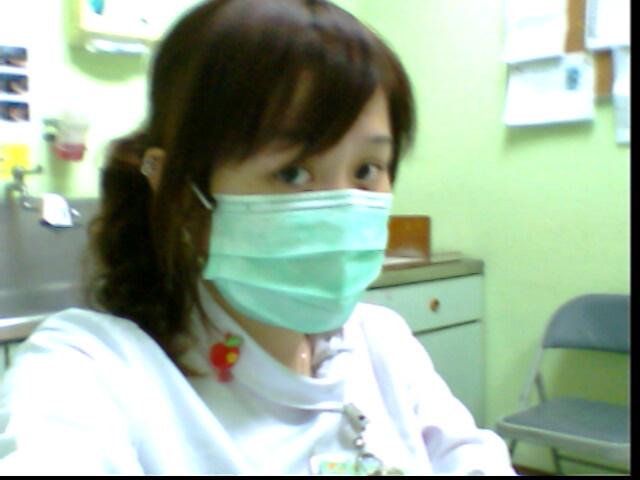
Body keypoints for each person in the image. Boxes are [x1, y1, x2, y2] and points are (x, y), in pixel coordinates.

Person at [0, 0, 516, 475]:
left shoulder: (382, 341)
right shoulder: (89, 370)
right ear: (181, 193)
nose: (341, 207)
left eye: (367, 169)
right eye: (293, 171)